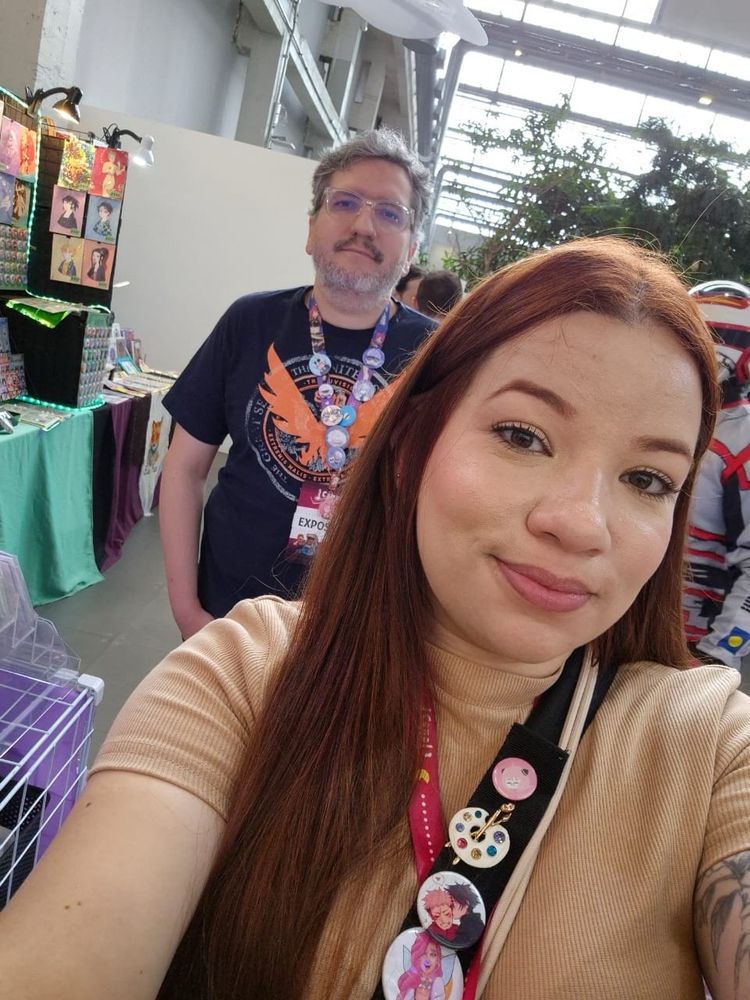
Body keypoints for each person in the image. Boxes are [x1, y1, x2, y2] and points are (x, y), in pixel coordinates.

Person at [1, 237, 749, 1000]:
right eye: (523, 436)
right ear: (409, 447)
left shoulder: (709, 744)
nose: (582, 524)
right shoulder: (246, 679)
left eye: (647, 479)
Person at [159, 128, 435, 639]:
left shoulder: (436, 355)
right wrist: (186, 609)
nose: (363, 225)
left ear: (411, 248)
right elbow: (183, 469)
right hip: (225, 617)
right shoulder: (249, 321)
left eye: (390, 213)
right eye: (345, 202)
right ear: (311, 229)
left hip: (359, 634)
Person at [684, 280, 750, 668]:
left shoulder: (742, 440)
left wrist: (718, 653)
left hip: (695, 648)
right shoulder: (659, 415)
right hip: (622, 626)